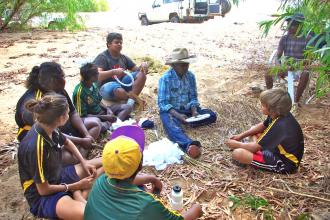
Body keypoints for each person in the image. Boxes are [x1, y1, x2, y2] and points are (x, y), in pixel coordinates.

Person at [84, 125, 202, 220]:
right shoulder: (147, 204)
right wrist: (196, 209)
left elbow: (122, 179)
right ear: (140, 166)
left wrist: (151, 178)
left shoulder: (100, 181)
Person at [18, 93, 103, 220]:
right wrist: (76, 185)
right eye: (68, 113)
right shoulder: (36, 147)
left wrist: (83, 161)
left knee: (108, 161)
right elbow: (43, 190)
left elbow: (67, 142)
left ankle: (79, 195)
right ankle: (77, 193)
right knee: (87, 214)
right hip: (41, 195)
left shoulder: (48, 126)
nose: (69, 116)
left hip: (57, 176)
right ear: (60, 118)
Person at [15, 62, 102, 163]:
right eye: (63, 76)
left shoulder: (59, 90)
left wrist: (86, 135)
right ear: (54, 80)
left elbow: (73, 113)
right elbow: (51, 132)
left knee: (96, 123)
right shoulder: (33, 102)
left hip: (61, 127)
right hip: (45, 137)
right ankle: (78, 155)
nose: (65, 80)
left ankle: (79, 152)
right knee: (65, 156)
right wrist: (81, 141)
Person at [225, 88, 304, 174]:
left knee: (238, 153)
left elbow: (254, 148)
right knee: (254, 130)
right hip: (277, 150)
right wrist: (240, 136)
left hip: (285, 163)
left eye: (262, 105)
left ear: (272, 109)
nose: (260, 107)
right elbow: (263, 125)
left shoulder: (280, 125)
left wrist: (236, 145)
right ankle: (254, 150)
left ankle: (254, 155)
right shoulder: (279, 114)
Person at [158, 48, 217, 158]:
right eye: (182, 65)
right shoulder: (165, 78)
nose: (185, 67)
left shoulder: (190, 76)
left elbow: (193, 97)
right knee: (170, 124)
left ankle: (188, 122)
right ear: (174, 65)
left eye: (186, 64)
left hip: (188, 110)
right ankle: (188, 144)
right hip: (172, 111)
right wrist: (179, 115)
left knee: (212, 115)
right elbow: (163, 103)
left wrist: (194, 111)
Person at [265, 13, 311, 104]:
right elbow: (278, 55)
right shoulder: (284, 38)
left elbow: (309, 59)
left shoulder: (308, 39)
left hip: (300, 68)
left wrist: (297, 66)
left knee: (306, 73)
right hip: (285, 67)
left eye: (292, 25)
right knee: (268, 72)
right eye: (288, 24)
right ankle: (269, 95)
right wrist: (280, 67)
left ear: (300, 26)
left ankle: (295, 101)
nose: (289, 27)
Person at [72, 63, 133, 130]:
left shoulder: (93, 84)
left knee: (127, 107)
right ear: (90, 77)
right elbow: (83, 116)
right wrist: (103, 117)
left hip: (102, 112)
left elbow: (99, 101)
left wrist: (108, 109)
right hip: (93, 117)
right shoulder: (79, 93)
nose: (98, 74)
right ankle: (113, 124)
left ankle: (114, 124)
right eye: (96, 73)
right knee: (99, 126)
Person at [94, 32, 148, 106]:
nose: (119, 44)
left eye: (121, 43)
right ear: (108, 44)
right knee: (120, 91)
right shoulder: (102, 57)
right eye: (116, 42)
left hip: (122, 84)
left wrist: (143, 66)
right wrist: (113, 72)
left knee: (142, 75)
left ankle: (130, 101)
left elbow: (137, 71)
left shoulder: (123, 57)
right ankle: (133, 99)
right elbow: (96, 76)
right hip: (106, 87)